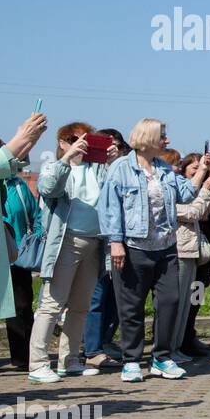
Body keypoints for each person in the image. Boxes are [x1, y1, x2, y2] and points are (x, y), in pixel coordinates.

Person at [96, 118, 199, 382]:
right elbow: (109, 208)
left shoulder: (164, 168)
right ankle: (131, 360)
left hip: (165, 246)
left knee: (170, 301)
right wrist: (115, 242)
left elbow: (185, 195)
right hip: (133, 247)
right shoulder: (120, 168)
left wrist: (202, 172)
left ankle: (161, 358)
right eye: (162, 135)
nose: (167, 140)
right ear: (148, 138)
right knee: (131, 306)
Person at [27, 123, 108, 382]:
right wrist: (66, 159)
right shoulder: (55, 167)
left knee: (81, 306)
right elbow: (49, 188)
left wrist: (113, 159)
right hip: (65, 241)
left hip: (94, 242)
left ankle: (70, 359)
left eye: (86, 138)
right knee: (51, 305)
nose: (81, 143)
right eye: (74, 138)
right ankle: (38, 363)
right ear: (62, 142)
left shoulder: (98, 170)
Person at [170, 152, 210, 362]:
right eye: (194, 168)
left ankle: (190, 334)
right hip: (186, 249)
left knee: (197, 297)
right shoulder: (184, 190)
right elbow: (197, 213)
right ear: (184, 171)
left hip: (203, 253)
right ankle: (181, 340)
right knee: (181, 299)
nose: (198, 172)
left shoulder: (207, 189)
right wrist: (205, 189)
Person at [0, 113, 48, 355]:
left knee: (20, 304)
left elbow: (36, 213)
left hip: (18, 252)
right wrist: (24, 136)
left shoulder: (18, 185)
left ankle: (23, 355)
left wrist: (33, 238)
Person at [82, 127, 126, 369]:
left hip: (120, 241)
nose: (113, 151)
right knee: (97, 297)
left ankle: (106, 341)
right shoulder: (93, 170)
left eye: (118, 147)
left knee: (116, 297)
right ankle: (92, 348)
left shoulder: (126, 170)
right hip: (100, 240)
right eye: (108, 146)